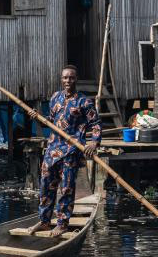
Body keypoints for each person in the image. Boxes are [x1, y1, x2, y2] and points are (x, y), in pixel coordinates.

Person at [26, 65, 101, 238]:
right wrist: (38, 117)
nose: (68, 81)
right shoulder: (55, 98)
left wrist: (94, 143)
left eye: (71, 78)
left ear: (76, 80)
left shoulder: (84, 101)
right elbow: (51, 122)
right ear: (61, 79)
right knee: (45, 185)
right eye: (65, 78)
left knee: (66, 188)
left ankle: (62, 224)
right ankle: (45, 221)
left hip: (71, 150)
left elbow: (95, 123)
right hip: (52, 149)